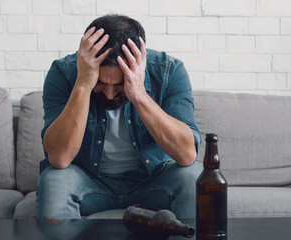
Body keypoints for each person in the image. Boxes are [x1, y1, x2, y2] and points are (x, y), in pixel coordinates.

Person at [36, 14, 202, 220]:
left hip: (153, 181)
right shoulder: (63, 72)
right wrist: (83, 85)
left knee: (193, 177)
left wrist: (139, 94)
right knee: (53, 180)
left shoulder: (169, 71)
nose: (109, 94)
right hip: (88, 181)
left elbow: (187, 155)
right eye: (101, 83)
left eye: (119, 84)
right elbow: (59, 159)